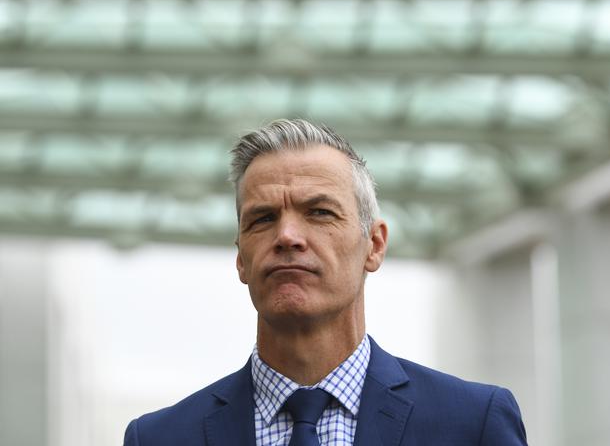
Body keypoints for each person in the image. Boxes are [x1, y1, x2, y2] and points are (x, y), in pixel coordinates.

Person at [124, 119, 527, 445]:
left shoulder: (472, 424)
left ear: (374, 244)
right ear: (240, 258)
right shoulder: (160, 438)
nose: (287, 236)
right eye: (263, 219)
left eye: (318, 212)